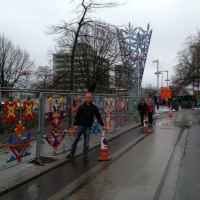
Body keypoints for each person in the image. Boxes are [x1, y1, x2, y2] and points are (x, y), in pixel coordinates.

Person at [66, 93, 105, 161]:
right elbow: (77, 116)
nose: (88, 99)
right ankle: (72, 154)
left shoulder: (94, 107)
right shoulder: (81, 107)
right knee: (75, 141)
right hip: (80, 126)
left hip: (88, 127)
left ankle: (85, 155)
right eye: (87, 98)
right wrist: (75, 124)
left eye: (90, 98)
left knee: (86, 143)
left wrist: (102, 124)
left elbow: (98, 116)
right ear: (85, 98)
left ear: (91, 98)